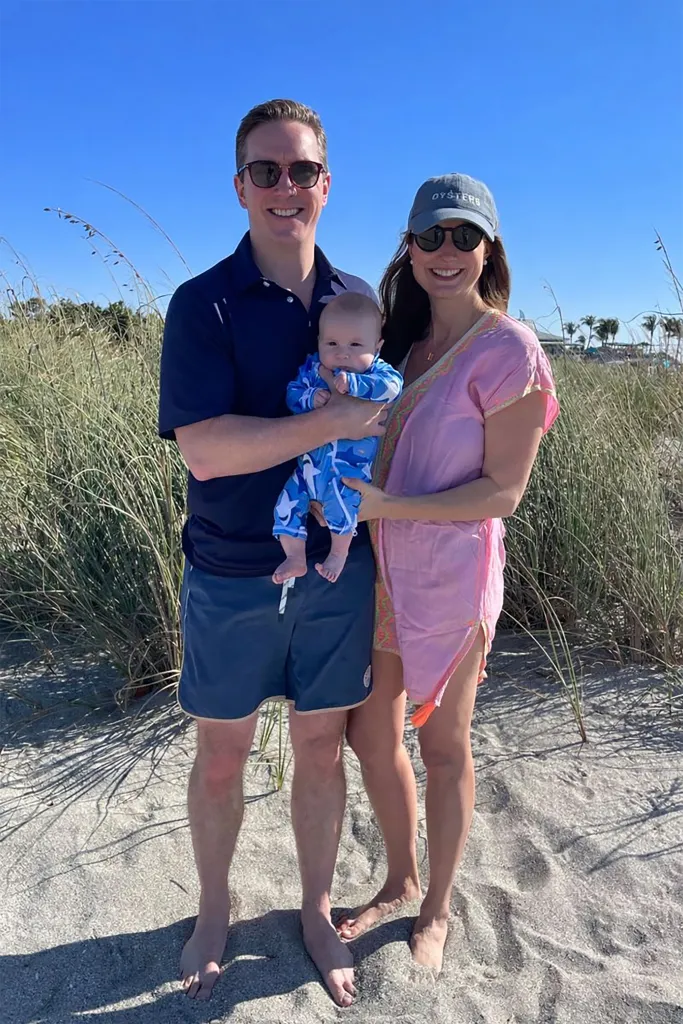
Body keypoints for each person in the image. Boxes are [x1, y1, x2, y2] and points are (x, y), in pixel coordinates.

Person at [158, 98, 386, 1008]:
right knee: (222, 756)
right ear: (240, 186)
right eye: (266, 171)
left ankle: (318, 908)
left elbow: (391, 420)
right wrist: (325, 421)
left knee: (321, 748)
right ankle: (213, 910)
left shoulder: (356, 302)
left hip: (336, 567)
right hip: (228, 568)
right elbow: (205, 449)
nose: (285, 188)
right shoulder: (202, 302)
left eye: (301, 171)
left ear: (326, 184)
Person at [335, 174, 559, 972]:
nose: (444, 251)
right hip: (379, 569)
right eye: (428, 236)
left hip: (451, 579)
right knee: (369, 733)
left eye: (462, 236)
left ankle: (436, 908)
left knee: (444, 745)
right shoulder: (393, 340)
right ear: (408, 246)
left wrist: (386, 507)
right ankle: (398, 877)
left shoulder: (509, 349)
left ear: (488, 248)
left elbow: (502, 491)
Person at [273, 291, 403, 585]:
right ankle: (294, 556)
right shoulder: (312, 370)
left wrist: (355, 384)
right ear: (319, 343)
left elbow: (392, 387)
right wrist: (310, 398)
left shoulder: (376, 372)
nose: (342, 353)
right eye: (331, 344)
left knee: (344, 508)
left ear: (377, 346)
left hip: (347, 473)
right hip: (307, 469)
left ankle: (338, 554)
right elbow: (292, 394)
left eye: (355, 345)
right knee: (286, 505)